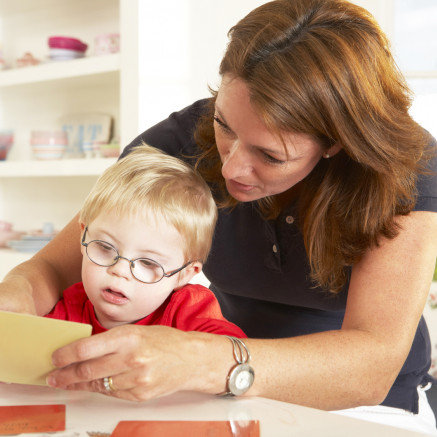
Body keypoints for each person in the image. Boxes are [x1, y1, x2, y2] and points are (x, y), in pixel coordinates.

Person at [0, 0, 436, 433]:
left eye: (269, 154)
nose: (229, 168)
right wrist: (13, 301)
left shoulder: (406, 170)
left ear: (335, 143)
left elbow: (371, 367)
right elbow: (51, 267)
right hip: (216, 390)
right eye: (224, 125)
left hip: (362, 408)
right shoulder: (181, 139)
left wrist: (204, 361)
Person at [44, 143, 246, 339]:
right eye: (106, 247)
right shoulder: (70, 307)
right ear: (83, 235)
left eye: (148, 262)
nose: (120, 271)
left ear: (184, 274)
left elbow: (236, 355)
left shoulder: (188, 310)